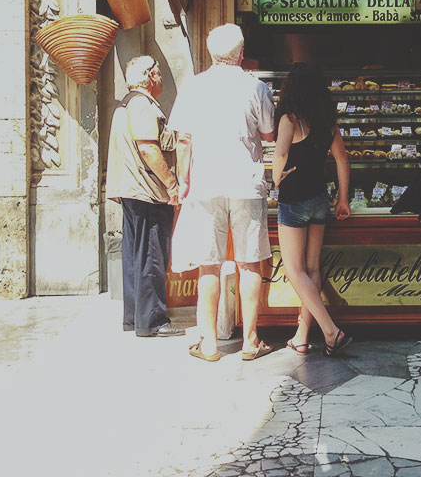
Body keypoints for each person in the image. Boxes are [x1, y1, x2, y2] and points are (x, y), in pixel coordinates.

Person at [169, 23, 275, 362]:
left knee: (209, 265)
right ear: (242, 53)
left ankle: (210, 342)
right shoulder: (255, 87)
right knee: (249, 263)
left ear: (211, 52)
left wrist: (183, 181)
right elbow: (270, 132)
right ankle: (250, 340)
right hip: (246, 182)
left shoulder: (194, 87)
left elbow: (183, 140)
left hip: (205, 183)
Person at [272, 63, 353, 357]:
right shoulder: (327, 120)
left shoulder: (290, 118)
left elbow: (280, 154)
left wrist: (274, 179)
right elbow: (342, 160)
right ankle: (302, 336)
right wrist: (342, 199)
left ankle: (331, 331)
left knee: (294, 270)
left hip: (293, 199)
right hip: (320, 198)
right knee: (312, 269)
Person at [105, 55, 184, 338]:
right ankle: (152, 321)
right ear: (151, 76)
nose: (162, 78)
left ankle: (135, 317)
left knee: (135, 256)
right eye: (159, 73)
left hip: (132, 191)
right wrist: (171, 183)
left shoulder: (126, 104)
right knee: (151, 255)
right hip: (147, 192)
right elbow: (149, 149)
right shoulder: (142, 106)